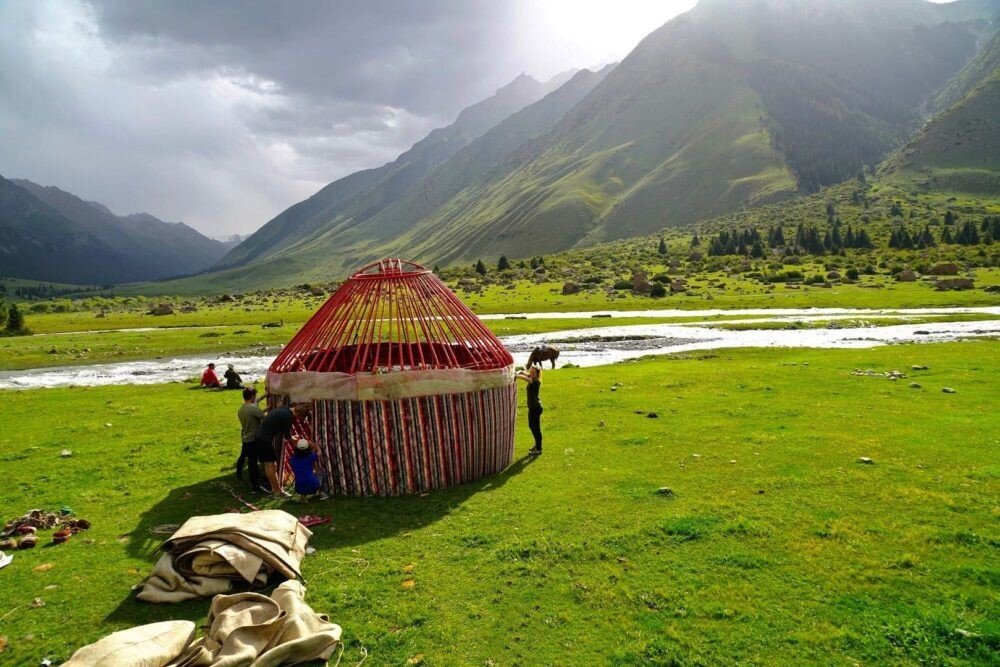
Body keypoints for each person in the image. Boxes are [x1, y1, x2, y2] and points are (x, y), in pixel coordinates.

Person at [253, 403, 311, 498]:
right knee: (271, 465)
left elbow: (286, 434)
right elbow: (287, 437)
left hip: (260, 437)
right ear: (298, 414)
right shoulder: (288, 418)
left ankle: (274, 489)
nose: (297, 420)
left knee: (269, 464)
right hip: (264, 440)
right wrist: (297, 441)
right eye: (300, 418)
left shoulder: (285, 408)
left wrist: (292, 437)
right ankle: (277, 491)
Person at [236, 387, 263, 488]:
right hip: (253, 437)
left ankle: (239, 474)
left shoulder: (241, 408)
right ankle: (255, 483)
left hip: (245, 435)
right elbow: (263, 417)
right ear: (252, 396)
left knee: (244, 456)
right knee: (253, 462)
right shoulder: (253, 408)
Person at [516, 366, 543, 455]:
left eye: (534, 372)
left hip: (536, 408)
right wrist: (519, 371)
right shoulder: (531, 377)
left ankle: (538, 448)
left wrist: (516, 375)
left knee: (536, 428)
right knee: (532, 426)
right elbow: (524, 374)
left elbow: (525, 378)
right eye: (531, 372)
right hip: (532, 408)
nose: (531, 374)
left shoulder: (536, 381)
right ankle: (537, 445)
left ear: (537, 374)